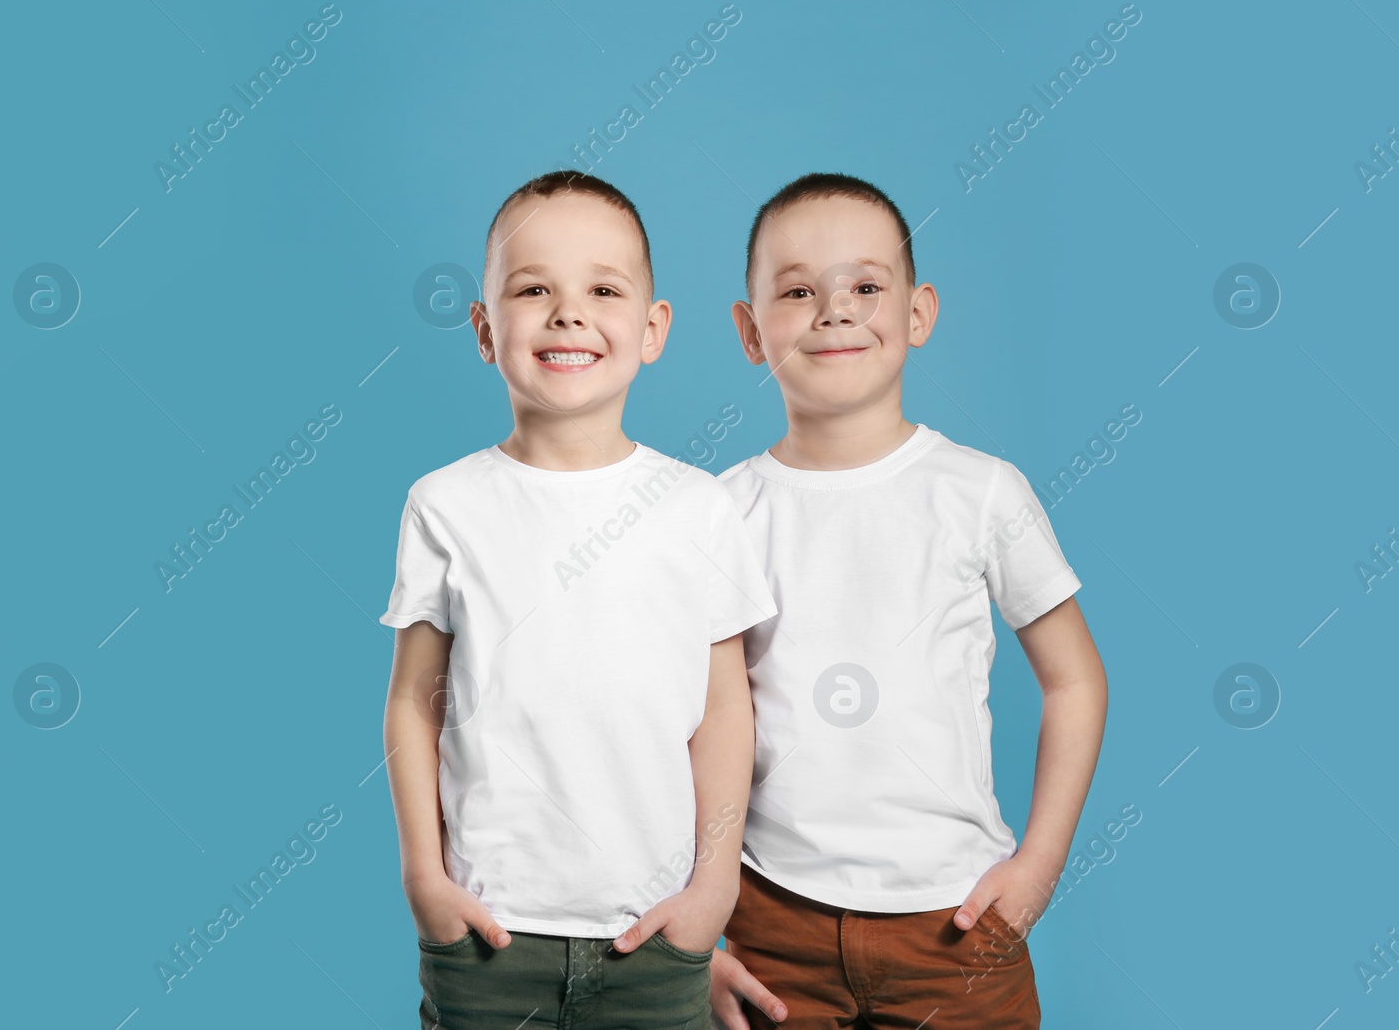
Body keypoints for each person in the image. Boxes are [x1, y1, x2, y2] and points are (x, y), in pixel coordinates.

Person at [711, 173, 1109, 1029]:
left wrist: (1037, 865)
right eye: (796, 291)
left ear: (918, 312)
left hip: (957, 926)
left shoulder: (981, 493)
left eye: (864, 286)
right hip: (769, 920)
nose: (834, 310)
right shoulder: (718, 514)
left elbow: (1076, 681)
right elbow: (682, 731)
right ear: (750, 330)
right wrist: (700, 940)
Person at [381, 171, 777, 1030]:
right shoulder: (446, 503)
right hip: (487, 936)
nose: (568, 313)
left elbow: (724, 712)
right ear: (486, 330)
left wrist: (714, 888)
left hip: (653, 937)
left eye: (603, 288)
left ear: (653, 327)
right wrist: (425, 876)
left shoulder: (700, 507)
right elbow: (414, 700)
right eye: (533, 289)